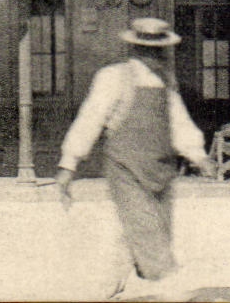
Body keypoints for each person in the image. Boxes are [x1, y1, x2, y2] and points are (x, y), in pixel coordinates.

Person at [56, 17, 214, 300]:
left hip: (161, 169)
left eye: (158, 50)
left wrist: (198, 155)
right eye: (147, 50)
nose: (154, 56)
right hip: (125, 167)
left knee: (147, 231)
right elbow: (91, 118)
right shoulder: (114, 77)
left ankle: (107, 288)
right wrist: (69, 163)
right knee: (146, 232)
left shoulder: (166, 82)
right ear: (135, 49)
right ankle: (171, 293)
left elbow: (178, 121)